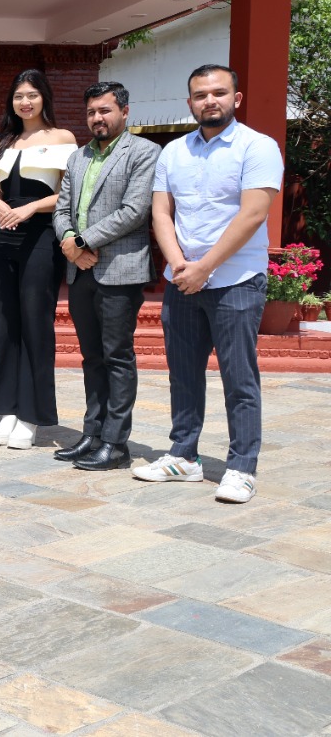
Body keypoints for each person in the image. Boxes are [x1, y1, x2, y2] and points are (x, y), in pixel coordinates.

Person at [136, 65, 282, 504]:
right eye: (200, 95)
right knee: (183, 374)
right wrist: (180, 264)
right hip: (182, 280)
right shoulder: (174, 151)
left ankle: (242, 467)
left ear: (236, 99)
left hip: (236, 280)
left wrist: (206, 267)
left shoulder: (258, 146)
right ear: (190, 103)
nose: (209, 101)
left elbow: (253, 214)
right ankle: (184, 456)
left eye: (219, 93)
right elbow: (161, 212)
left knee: (239, 378)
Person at [52, 81, 160, 471]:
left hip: (121, 270)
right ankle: (92, 434)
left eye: (105, 110)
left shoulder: (145, 152)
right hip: (80, 270)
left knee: (117, 357)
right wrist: (69, 240)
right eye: (91, 112)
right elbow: (61, 208)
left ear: (124, 112)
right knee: (92, 357)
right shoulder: (78, 157)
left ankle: (116, 444)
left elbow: (134, 211)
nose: (97, 118)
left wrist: (82, 241)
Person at [0, 70, 76, 450]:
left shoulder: (62, 138)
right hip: (2, 238)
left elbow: (68, 193)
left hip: (41, 237)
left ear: (44, 98)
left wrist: (30, 208)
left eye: (32, 95)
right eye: (19, 95)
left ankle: (31, 416)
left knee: (36, 325)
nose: (25, 102)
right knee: (5, 325)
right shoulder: (2, 141)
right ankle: (6, 408)